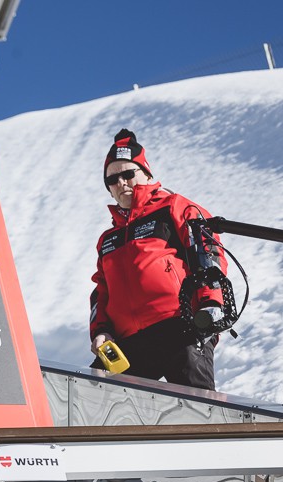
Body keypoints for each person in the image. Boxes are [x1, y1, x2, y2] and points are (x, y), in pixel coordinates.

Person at [89, 129, 227, 390]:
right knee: (88, 395)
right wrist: (100, 330)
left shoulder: (173, 207)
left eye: (128, 174)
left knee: (197, 405)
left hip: (181, 325)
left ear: (147, 174)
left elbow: (208, 251)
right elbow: (101, 291)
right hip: (127, 341)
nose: (122, 183)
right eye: (113, 179)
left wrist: (210, 302)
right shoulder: (108, 239)